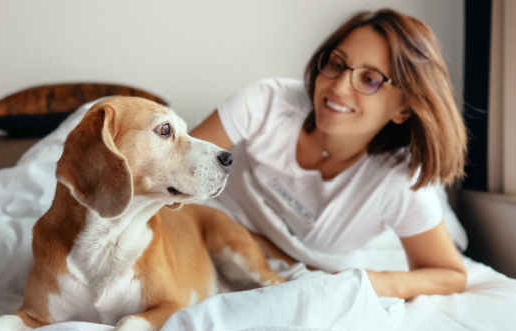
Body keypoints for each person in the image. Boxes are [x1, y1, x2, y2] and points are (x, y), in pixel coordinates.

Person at [190, 8, 468, 300]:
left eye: (370, 79)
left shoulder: (399, 183)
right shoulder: (267, 103)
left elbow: (450, 274)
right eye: (337, 64)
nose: (338, 86)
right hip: (201, 232)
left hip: (299, 279)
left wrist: (373, 282)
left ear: (404, 108)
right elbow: (172, 173)